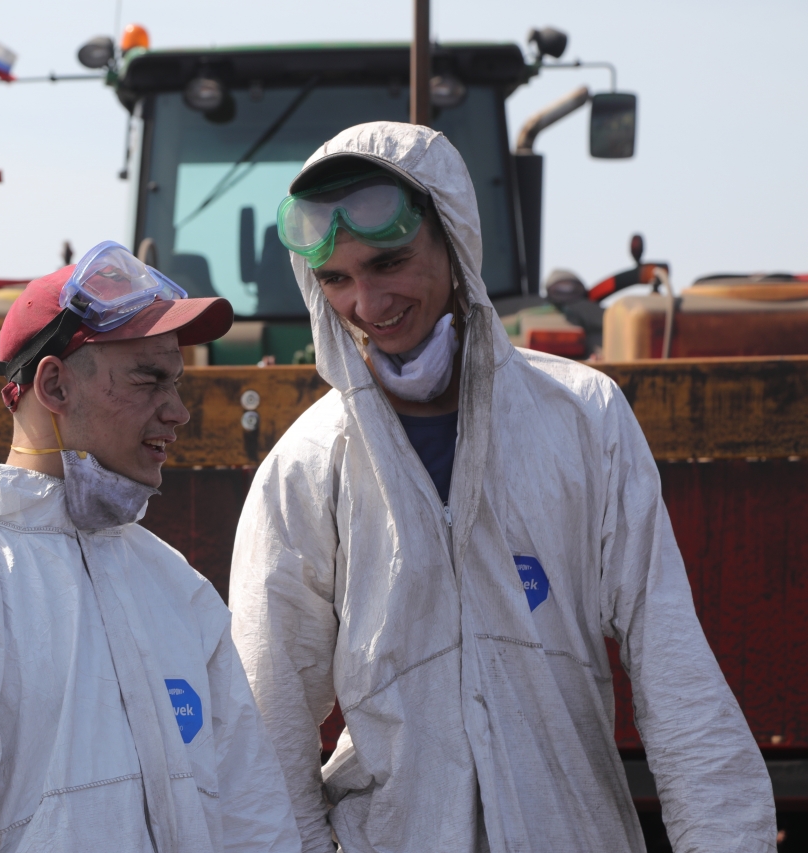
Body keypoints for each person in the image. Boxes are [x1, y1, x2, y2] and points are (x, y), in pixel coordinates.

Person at [228, 122, 775, 852]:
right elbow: (268, 714)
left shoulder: (581, 418)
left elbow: (671, 660)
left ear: (454, 241)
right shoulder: (306, 465)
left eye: (390, 262)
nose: (367, 302)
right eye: (337, 279)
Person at [0, 242, 301, 853]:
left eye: (177, 383)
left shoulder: (175, 586)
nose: (178, 412)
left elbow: (254, 820)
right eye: (149, 379)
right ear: (54, 384)